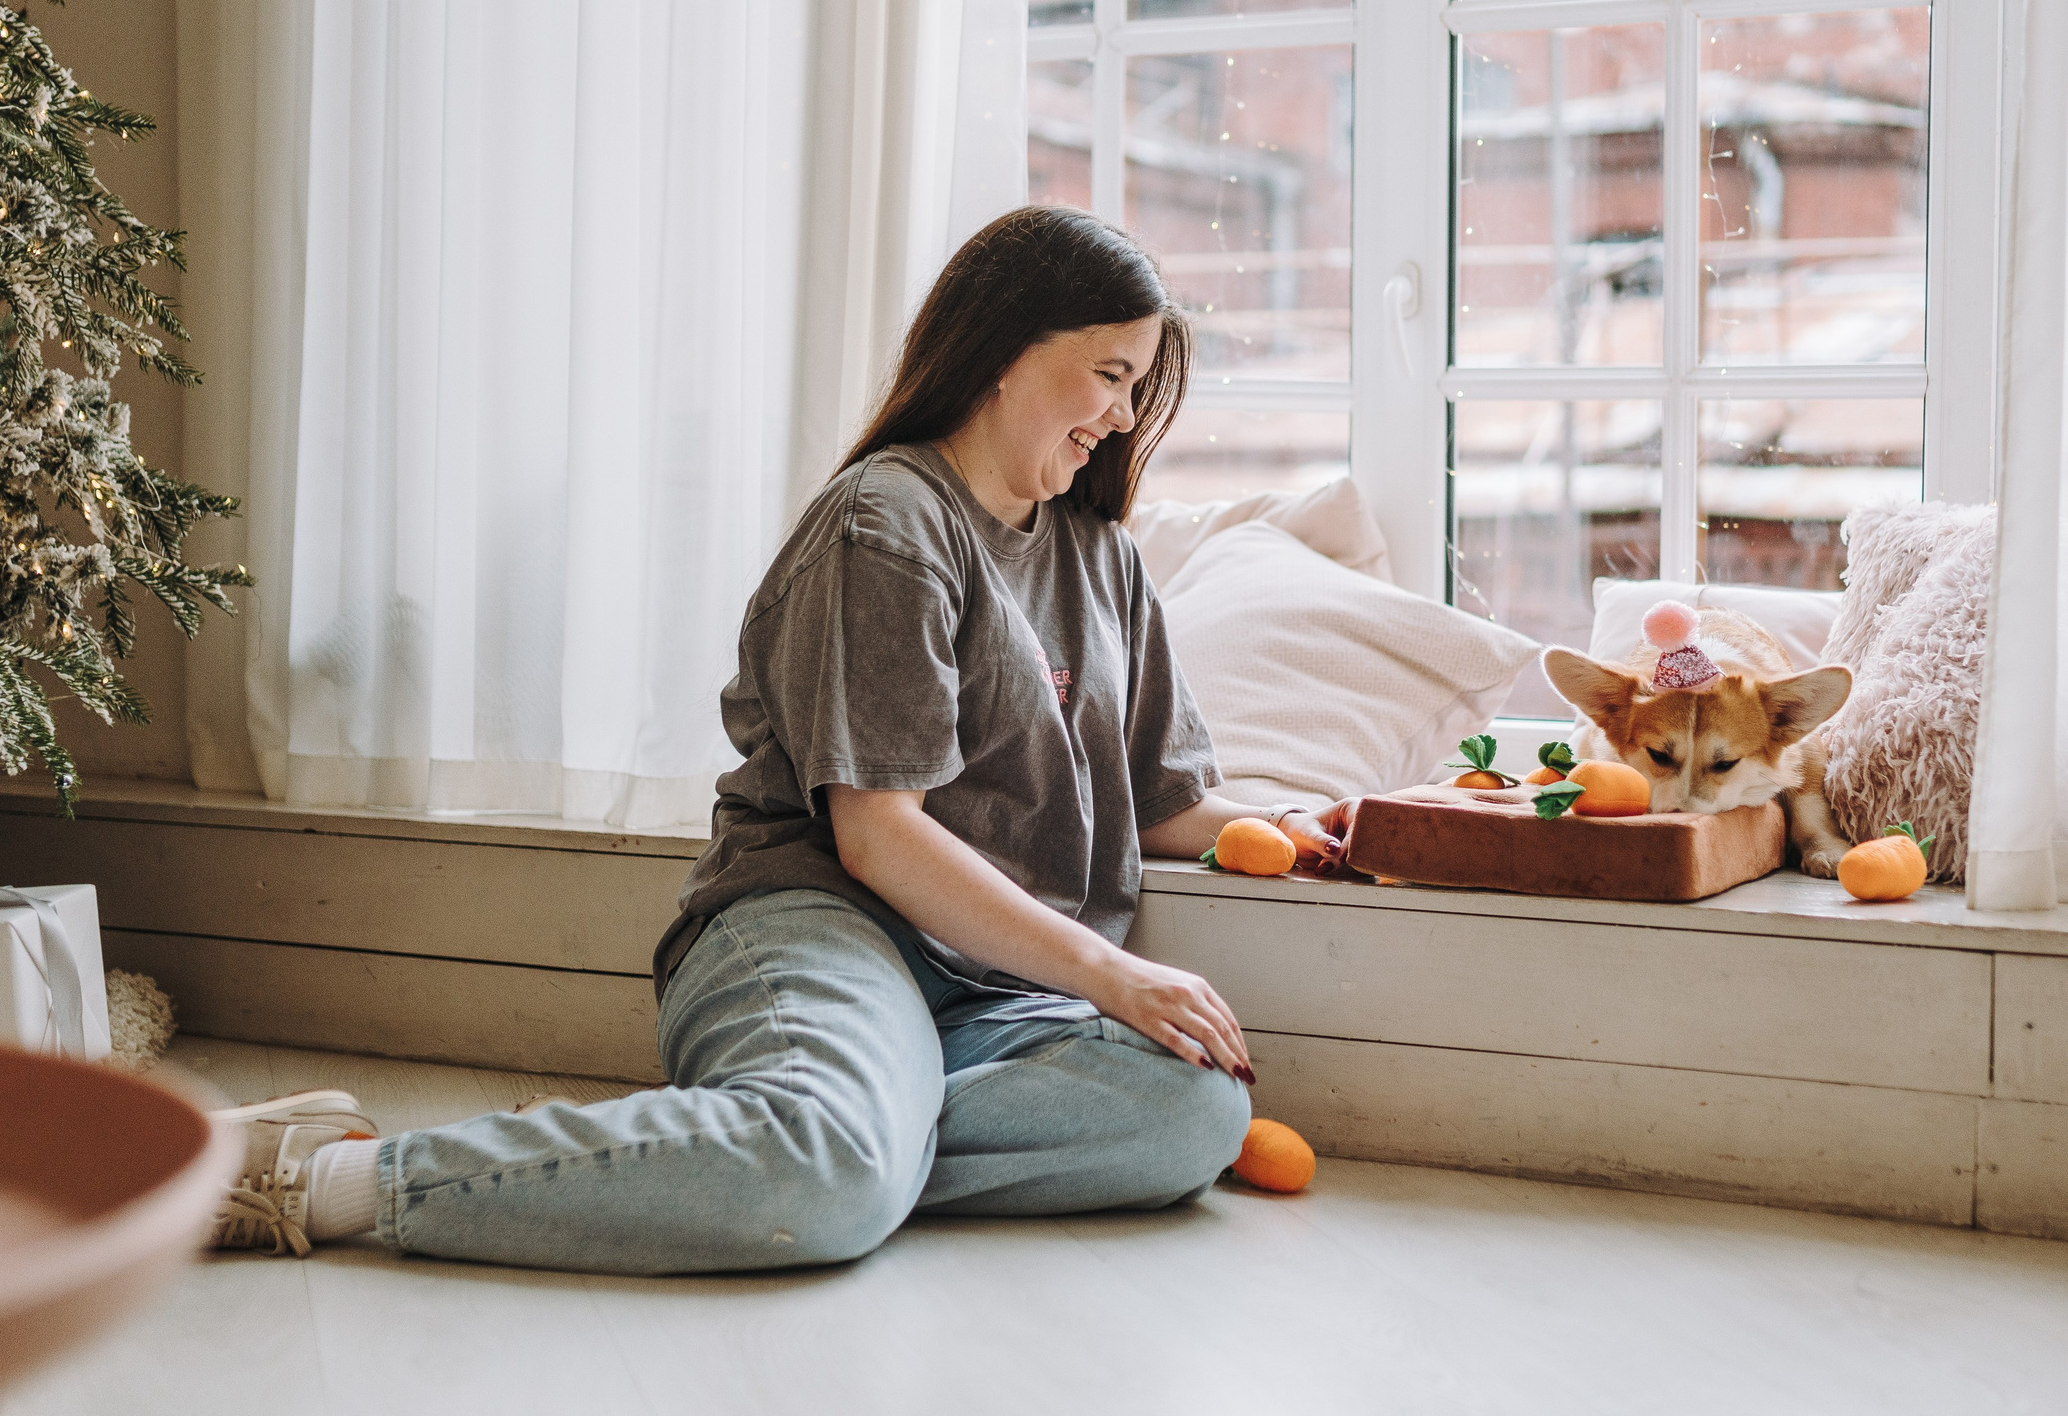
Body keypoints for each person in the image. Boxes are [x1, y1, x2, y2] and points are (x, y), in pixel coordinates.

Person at [207, 206, 1349, 1272]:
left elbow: (1156, 805)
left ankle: (716, 1147)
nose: (1121, 414)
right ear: (1005, 348)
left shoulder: (1103, 560)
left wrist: (1291, 829)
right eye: (1108, 375)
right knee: (835, 1165)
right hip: (825, 928)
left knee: (1189, 1113)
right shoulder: (889, 520)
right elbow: (878, 838)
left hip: (994, 995)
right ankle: (331, 1177)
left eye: (1138, 387)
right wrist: (1111, 972)